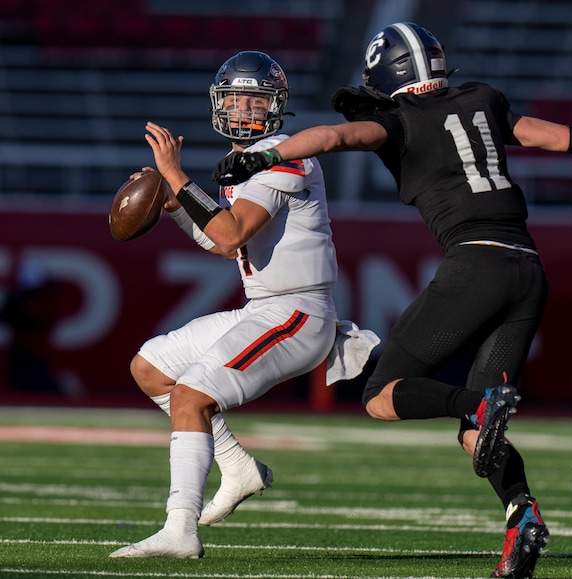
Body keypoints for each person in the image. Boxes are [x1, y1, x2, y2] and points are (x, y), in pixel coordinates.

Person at [211, 23, 572, 578]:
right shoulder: (484, 100)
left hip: (475, 265)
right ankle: (522, 514)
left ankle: (478, 408)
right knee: (478, 434)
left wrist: (259, 160)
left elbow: (332, 138)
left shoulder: (398, 121)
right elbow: (557, 136)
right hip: (529, 269)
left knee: (380, 396)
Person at [110, 51, 377, 559]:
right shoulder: (242, 165)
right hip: (265, 309)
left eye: (254, 98)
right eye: (234, 97)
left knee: (190, 396)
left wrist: (176, 176)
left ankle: (180, 529)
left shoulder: (283, 153)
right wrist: (175, 207)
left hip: (298, 313)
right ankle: (237, 468)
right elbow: (226, 245)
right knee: (149, 368)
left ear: (275, 106)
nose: (243, 108)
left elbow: (232, 229)